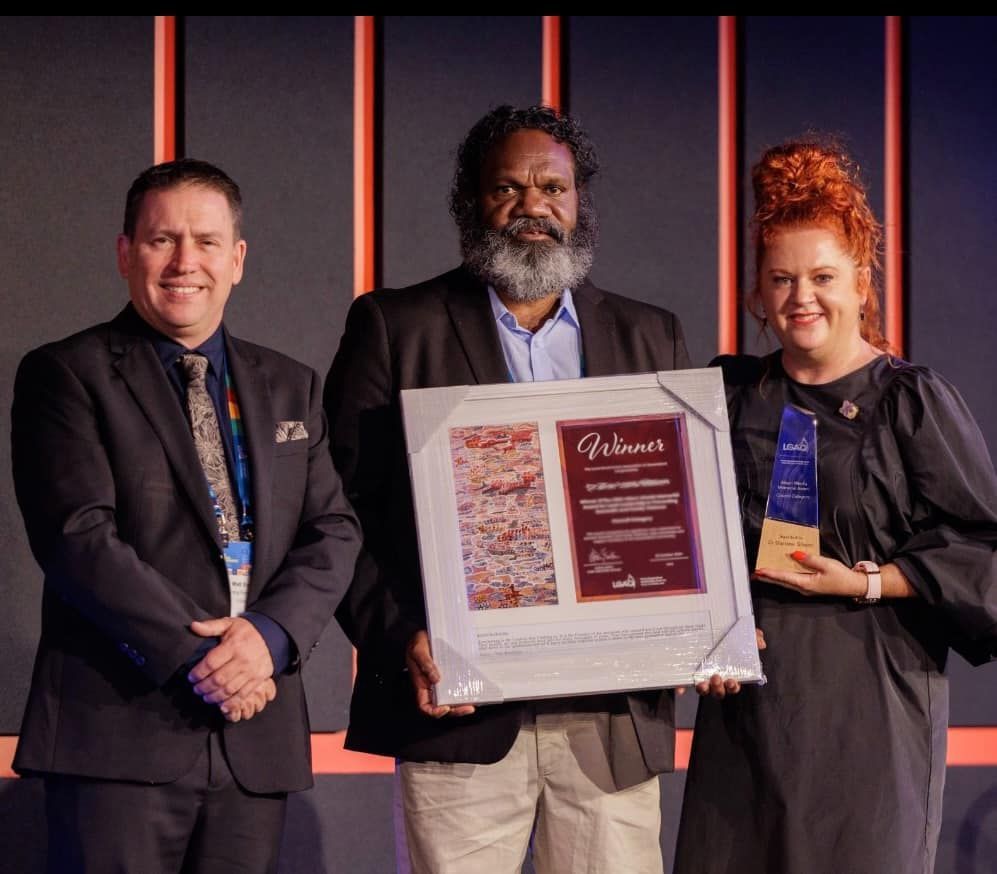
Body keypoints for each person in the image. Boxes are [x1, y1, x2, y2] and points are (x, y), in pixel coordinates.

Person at [325, 104, 719, 874]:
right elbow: (340, 510)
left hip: (609, 718)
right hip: (457, 711)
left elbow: (681, 512)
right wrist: (403, 636)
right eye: (506, 188)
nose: (531, 206)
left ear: (578, 202)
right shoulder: (395, 327)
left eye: (552, 188)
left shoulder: (650, 334)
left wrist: (703, 623)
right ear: (471, 203)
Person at [10, 158, 362, 873]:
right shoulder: (67, 373)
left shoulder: (290, 384)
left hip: (255, 739)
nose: (184, 262)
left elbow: (333, 531)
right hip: (120, 737)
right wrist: (215, 664)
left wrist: (267, 641)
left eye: (206, 241)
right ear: (124, 253)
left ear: (237, 260)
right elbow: (79, 538)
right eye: (161, 240)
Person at [673, 138, 997, 874]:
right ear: (757, 292)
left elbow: (983, 553)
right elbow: (680, 536)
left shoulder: (910, 401)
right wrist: (703, 634)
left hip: (870, 709)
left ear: (860, 282)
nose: (801, 298)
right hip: (748, 717)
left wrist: (867, 580)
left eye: (822, 277)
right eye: (781, 279)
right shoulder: (727, 397)